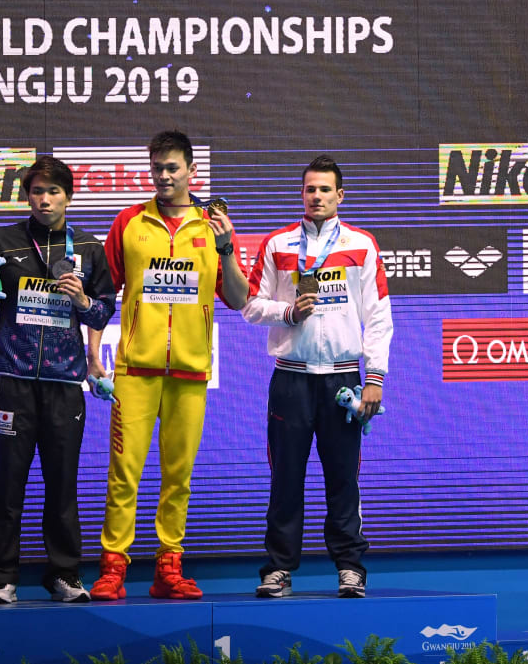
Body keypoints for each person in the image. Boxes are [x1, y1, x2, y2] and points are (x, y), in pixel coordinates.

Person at [86, 130, 249, 600]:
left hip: (190, 373)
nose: (163, 175)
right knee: (124, 473)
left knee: (178, 476)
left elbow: (237, 299)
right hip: (134, 371)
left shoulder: (213, 225)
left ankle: (168, 568)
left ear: (192, 171)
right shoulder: (130, 222)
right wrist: (94, 352)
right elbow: (104, 294)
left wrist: (225, 249)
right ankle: (114, 568)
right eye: (156, 167)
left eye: (172, 167)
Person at [0, 155, 117, 604]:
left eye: (53, 191)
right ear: (27, 196)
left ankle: (64, 575)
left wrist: (84, 299)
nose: (44, 199)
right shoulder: (4, 241)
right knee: (8, 482)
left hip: (65, 384)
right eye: (36, 192)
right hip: (14, 379)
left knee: (63, 483)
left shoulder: (88, 248)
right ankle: (2, 578)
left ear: (68, 196)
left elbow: (105, 310)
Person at [242, 155, 393, 598]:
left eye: (325, 189)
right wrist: (286, 311)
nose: (317, 196)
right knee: (285, 476)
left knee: (343, 476)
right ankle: (279, 569)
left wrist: (376, 377)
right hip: (290, 379)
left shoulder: (362, 245)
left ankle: (350, 566)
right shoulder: (278, 244)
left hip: (343, 381)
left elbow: (378, 315)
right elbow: (251, 305)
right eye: (310, 189)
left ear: (340, 195)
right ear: (301, 194)